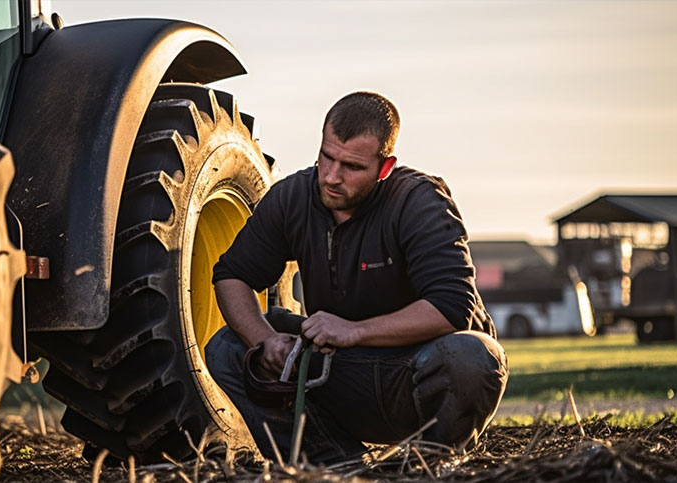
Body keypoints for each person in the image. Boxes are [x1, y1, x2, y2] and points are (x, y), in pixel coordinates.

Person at [206, 91, 507, 464]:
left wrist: (354, 330)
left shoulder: (418, 201)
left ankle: (430, 464)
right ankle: (339, 466)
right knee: (227, 348)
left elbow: (452, 306)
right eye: (326, 157)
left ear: (384, 168)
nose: (332, 177)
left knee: (472, 356)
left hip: (413, 376)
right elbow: (231, 274)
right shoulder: (293, 198)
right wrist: (265, 342)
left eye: (351, 167)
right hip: (336, 374)